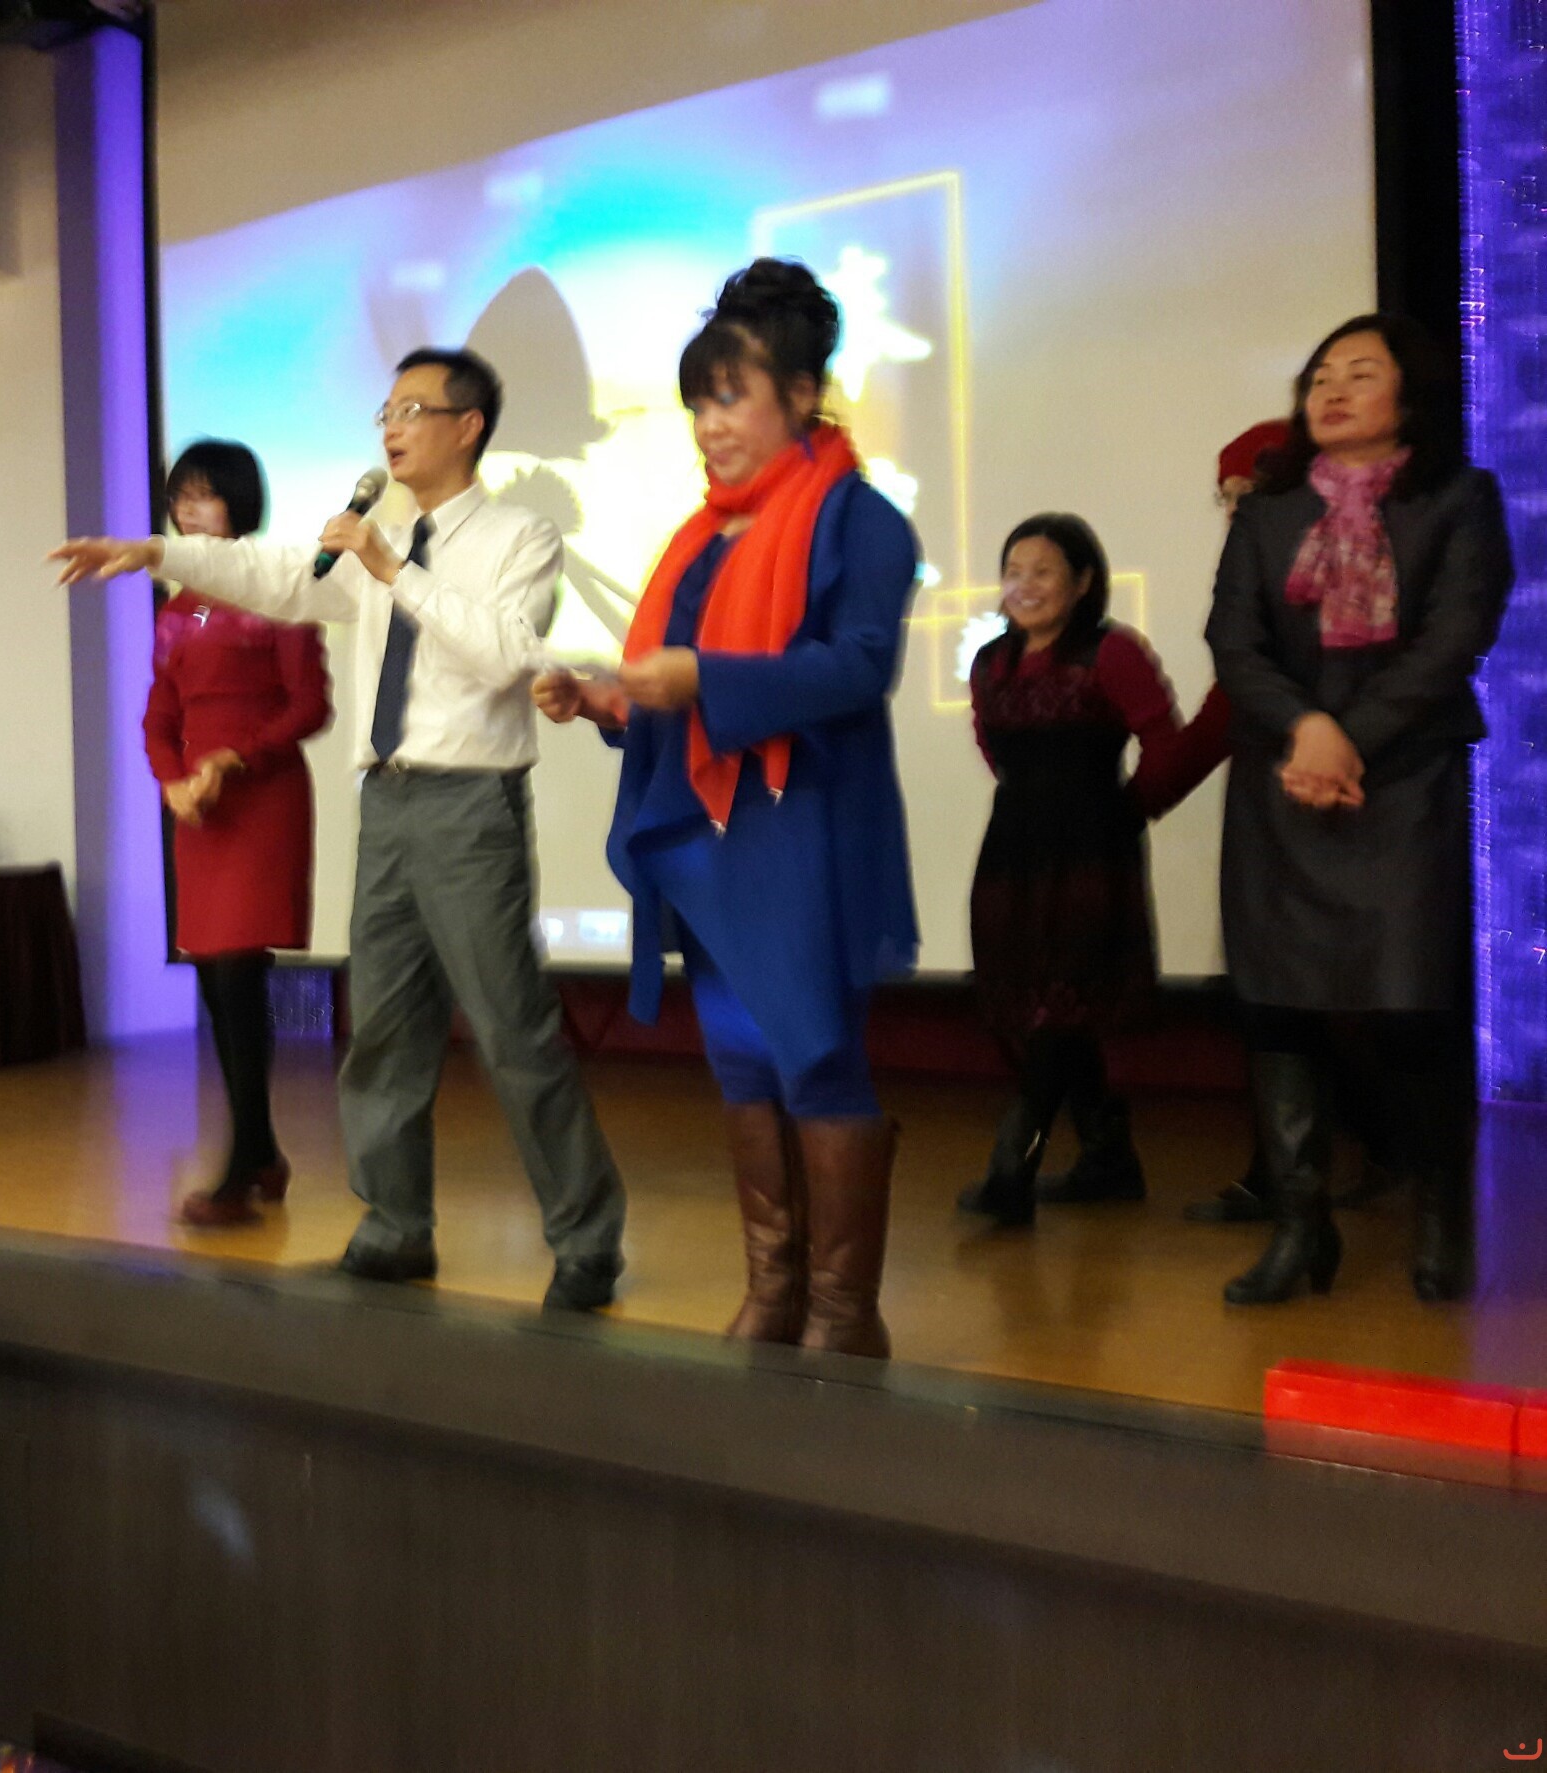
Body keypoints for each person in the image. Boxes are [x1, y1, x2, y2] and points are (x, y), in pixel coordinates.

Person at [52, 348, 630, 1311]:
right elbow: (277, 573)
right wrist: (159, 553)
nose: (391, 428)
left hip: (470, 805)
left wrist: (391, 567)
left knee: (513, 1030)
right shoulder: (377, 544)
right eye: (385, 412)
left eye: (412, 409)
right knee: (385, 1034)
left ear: (468, 426)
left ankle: (587, 1240)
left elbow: (503, 654)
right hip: (387, 803)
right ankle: (395, 1228)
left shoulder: (519, 536)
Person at [534, 258, 921, 1355]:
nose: (708, 425)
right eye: (698, 403)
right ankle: (776, 1289)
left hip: (801, 828)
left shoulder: (861, 520)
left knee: (816, 1056)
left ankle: (844, 1313)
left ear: (801, 395)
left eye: (731, 397)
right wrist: (606, 700)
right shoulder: (700, 537)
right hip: (706, 838)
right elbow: (673, 690)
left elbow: (857, 668)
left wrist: (703, 678)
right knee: (743, 1060)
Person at [1207, 314, 1513, 1305]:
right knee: (1276, 1006)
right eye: (1320, 377)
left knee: (1413, 1007)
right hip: (1284, 784)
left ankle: (1440, 1216)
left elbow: (1455, 637)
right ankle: (1303, 1228)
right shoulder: (1268, 511)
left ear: (1409, 396)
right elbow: (1234, 642)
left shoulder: (1459, 499)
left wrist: (1350, 737)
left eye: (1360, 374)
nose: (1332, 392)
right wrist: (1305, 730)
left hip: (1404, 781)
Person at [957, 515, 1201, 1226]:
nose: (1024, 585)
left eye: (1043, 571)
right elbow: (993, 750)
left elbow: (1166, 744)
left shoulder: (1112, 651)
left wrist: (1127, 812)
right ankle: (1108, 1159)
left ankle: (1012, 1167)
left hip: (1092, 852)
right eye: (1013, 571)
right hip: (1012, 851)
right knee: (1041, 1009)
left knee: (1064, 1006)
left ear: (1084, 581)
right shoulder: (989, 662)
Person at [142, 440, 332, 1226]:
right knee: (219, 982)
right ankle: (258, 1152)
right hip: (200, 808)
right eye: (180, 497)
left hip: (259, 798)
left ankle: (248, 1158)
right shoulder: (177, 606)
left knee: (237, 975)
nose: (189, 511)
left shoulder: (280, 587)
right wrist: (172, 779)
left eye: (206, 496)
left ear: (239, 503)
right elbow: (160, 712)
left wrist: (233, 757)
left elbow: (309, 703)